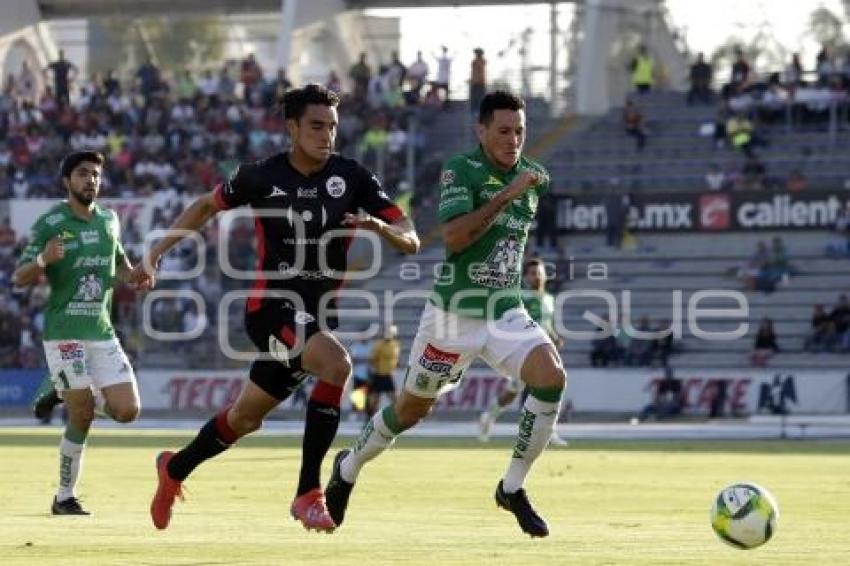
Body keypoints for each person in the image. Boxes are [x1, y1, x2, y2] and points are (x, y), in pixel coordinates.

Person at [131, 84, 419, 532]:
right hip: (269, 309)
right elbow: (206, 205)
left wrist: (375, 225)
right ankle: (308, 493)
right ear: (292, 128)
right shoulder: (261, 175)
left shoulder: (354, 177)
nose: (327, 136)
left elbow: (411, 237)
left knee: (244, 418)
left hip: (314, 318)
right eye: (317, 126)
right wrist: (156, 255)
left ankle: (174, 468)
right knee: (337, 364)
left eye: (333, 127)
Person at [324, 91, 566, 538]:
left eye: (520, 131)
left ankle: (511, 488)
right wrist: (504, 197)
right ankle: (349, 465)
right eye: (503, 131)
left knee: (551, 376)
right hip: (452, 317)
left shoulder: (534, 175)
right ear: (480, 131)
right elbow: (453, 238)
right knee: (410, 411)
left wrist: (520, 188)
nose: (514, 140)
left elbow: (536, 190)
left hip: (505, 312)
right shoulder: (462, 169)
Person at [13, 151, 147, 515]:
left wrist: (136, 277)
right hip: (64, 332)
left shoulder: (110, 220)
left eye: (96, 175)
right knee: (83, 412)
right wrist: (43, 260)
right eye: (83, 174)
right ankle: (63, 497)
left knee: (128, 411)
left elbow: (119, 265)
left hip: (101, 332)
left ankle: (60, 390)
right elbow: (18, 276)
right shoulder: (50, 222)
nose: (91, 180)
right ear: (66, 181)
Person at [478, 259, 568, 446]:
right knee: (536, 388)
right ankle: (544, 431)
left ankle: (490, 416)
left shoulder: (550, 299)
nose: (537, 276)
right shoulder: (522, 298)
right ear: (526, 277)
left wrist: (554, 336)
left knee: (523, 389)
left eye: (540, 272)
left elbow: (546, 323)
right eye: (533, 273)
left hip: (542, 350)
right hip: (526, 350)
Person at [367, 324, 401, 417]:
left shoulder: (395, 344)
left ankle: (398, 416)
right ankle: (370, 417)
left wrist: (396, 364)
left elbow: (395, 358)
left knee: (394, 398)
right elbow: (371, 359)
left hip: (389, 374)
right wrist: (376, 368)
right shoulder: (379, 345)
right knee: (375, 399)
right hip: (379, 374)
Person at [470, 48, 487, 113]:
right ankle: (474, 108)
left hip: (480, 81)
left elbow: (479, 69)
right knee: (474, 96)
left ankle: (480, 108)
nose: (476, 54)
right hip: (475, 81)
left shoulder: (481, 61)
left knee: (480, 95)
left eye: (477, 53)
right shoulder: (475, 61)